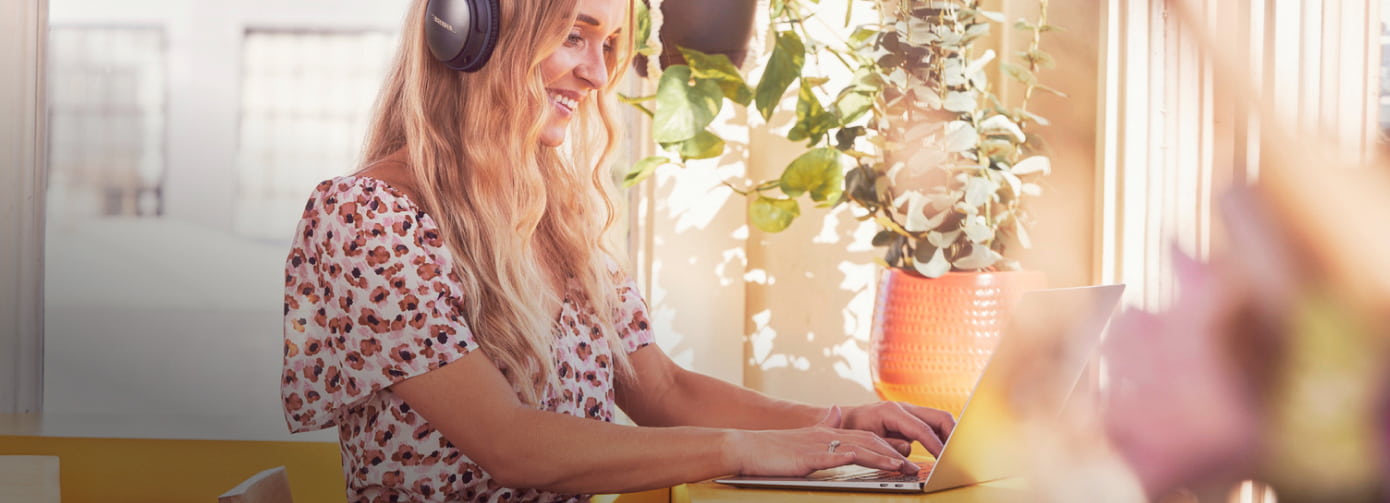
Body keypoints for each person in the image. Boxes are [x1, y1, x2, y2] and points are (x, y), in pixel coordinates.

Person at [280, 0, 955, 501]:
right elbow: (508, 444)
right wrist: (753, 447)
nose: (597, 73)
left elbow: (661, 388)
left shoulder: (555, 217)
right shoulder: (364, 218)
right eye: (574, 35)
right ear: (469, 29)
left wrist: (833, 422)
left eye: (607, 44)